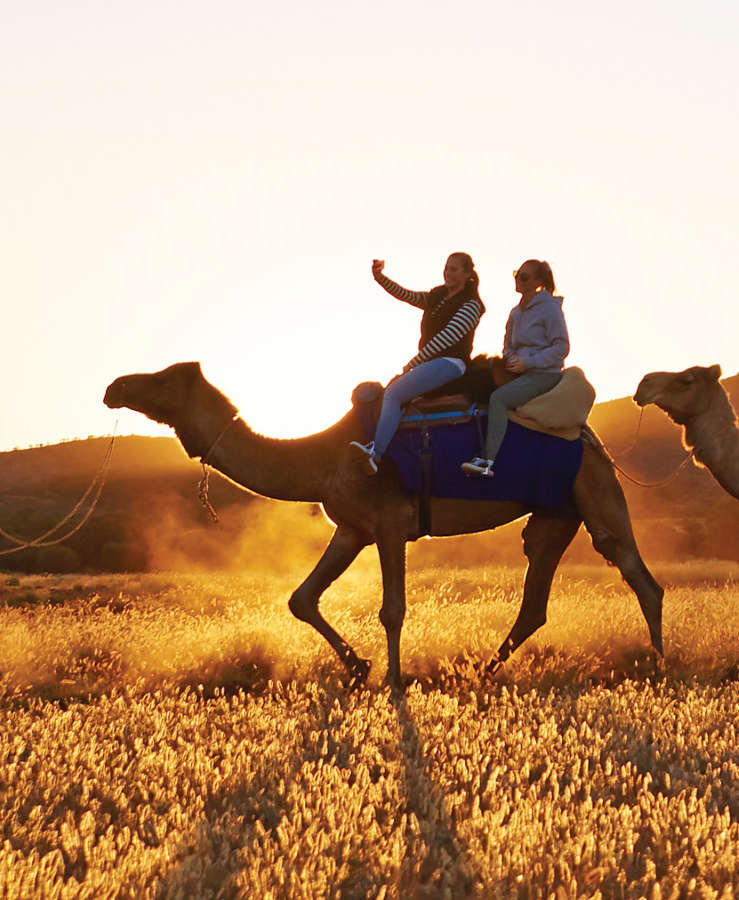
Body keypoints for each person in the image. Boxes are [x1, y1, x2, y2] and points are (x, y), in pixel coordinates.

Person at [351, 253, 485, 473]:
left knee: (393, 393)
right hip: (429, 362)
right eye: (446, 268)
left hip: (451, 362)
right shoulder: (438, 296)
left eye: (454, 269)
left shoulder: (472, 305)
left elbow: (448, 337)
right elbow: (406, 295)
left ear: (467, 274)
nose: (448, 273)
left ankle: (375, 454)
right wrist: (380, 277)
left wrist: (414, 362)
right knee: (395, 394)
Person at [461, 259, 569, 477]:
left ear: (538, 281)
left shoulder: (550, 308)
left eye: (524, 277)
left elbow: (561, 346)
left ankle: (488, 461)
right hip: (518, 371)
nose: (518, 280)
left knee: (499, 399)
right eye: (517, 275)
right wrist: (510, 359)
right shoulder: (516, 312)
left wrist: (528, 362)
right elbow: (508, 344)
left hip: (543, 374)